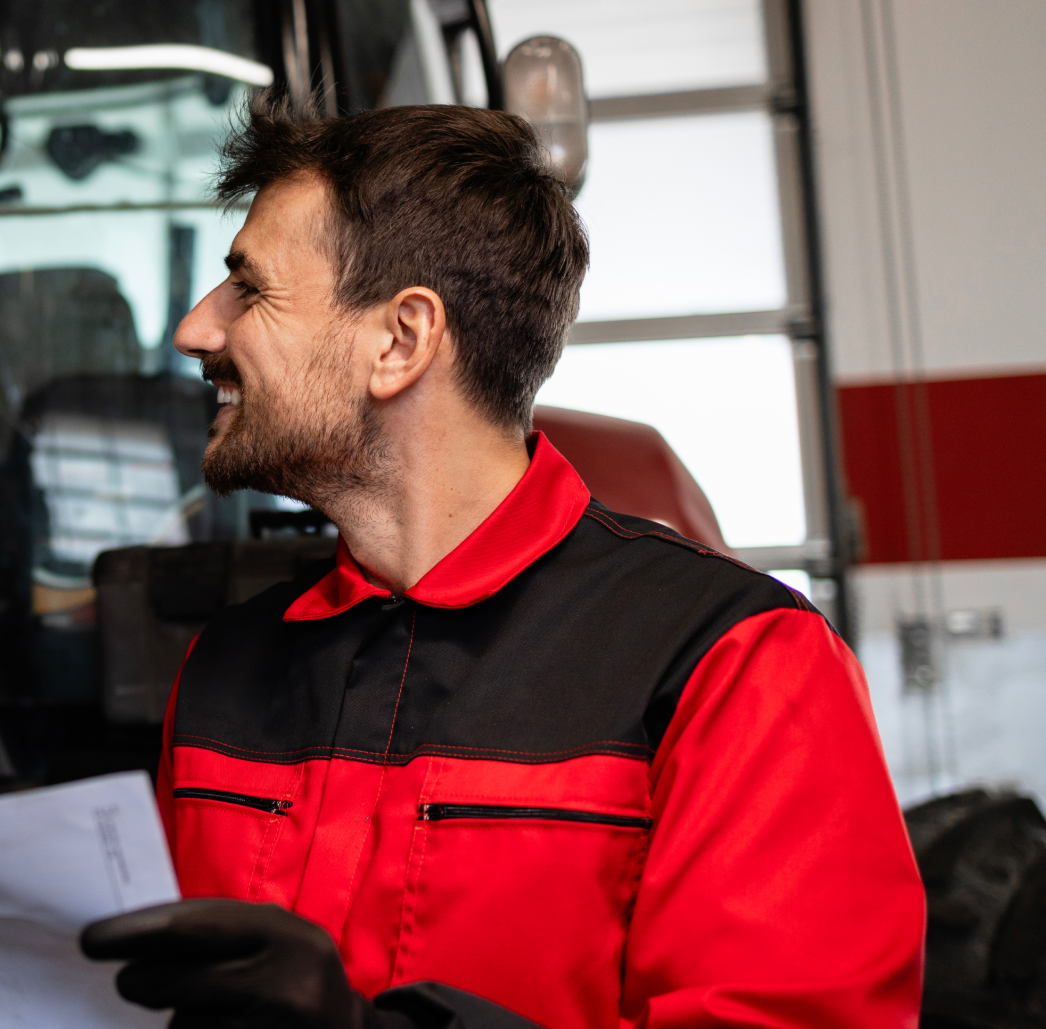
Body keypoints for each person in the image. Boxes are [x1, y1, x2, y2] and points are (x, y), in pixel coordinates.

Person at [78, 101, 925, 1029]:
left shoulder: (732, 666)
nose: (198, 330)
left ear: (401, 342)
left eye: (250, 288)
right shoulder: (225, 667)